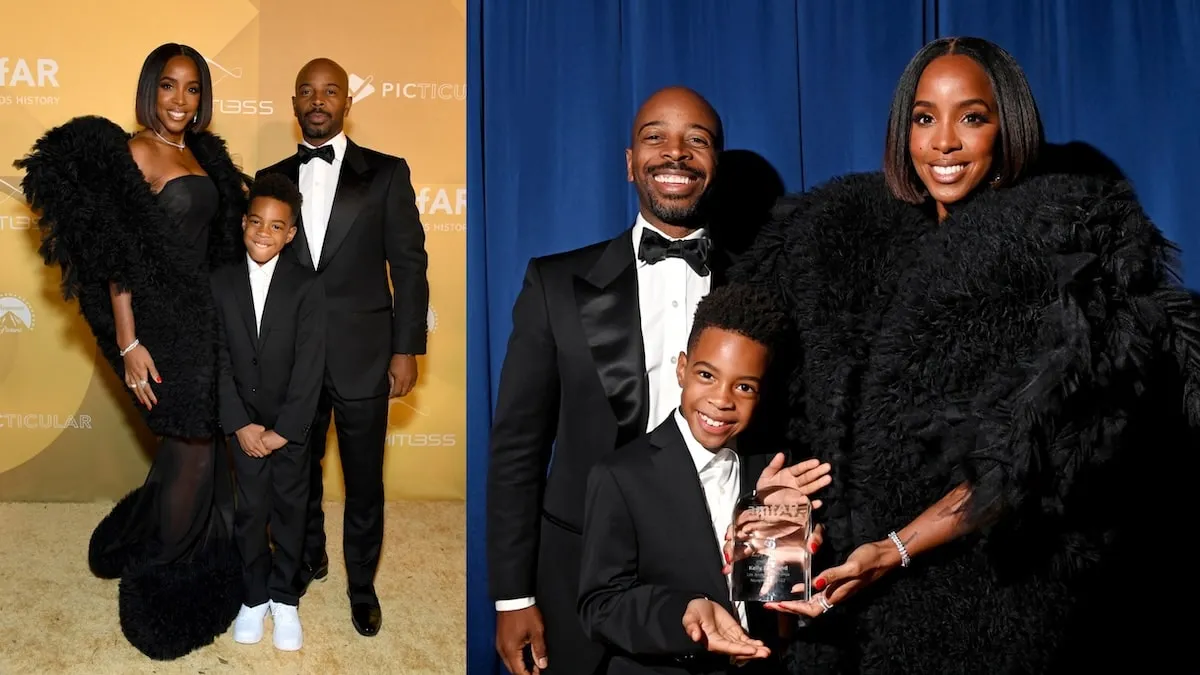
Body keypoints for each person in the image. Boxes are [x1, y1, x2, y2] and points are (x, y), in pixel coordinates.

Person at [730, 36, 1200, 673]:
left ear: (1008, 128)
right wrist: (767, 497)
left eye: (970, 117)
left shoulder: (1062, 254)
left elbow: (1035, 460)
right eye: (924, 118)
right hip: (839, 613)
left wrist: (893, 548)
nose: (943, 142)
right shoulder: (837, 241)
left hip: (987, 603)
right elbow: (763, 397)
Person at [487, 86, 738, 675]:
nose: (675, 153)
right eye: (655, 137)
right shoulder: (555, 285)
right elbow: (518, 450)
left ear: (715, 165)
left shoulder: (764, 284)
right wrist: (514, 596)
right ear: (629, 163)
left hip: (718, 578)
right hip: (580, 575)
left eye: (696, 141)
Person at [14, 43, 247, 659]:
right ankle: (163, 581)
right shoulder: (134, 152)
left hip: (208, 318)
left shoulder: (202, 153)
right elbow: (116, 254)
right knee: (194, 444)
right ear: (150, 90)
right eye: (168, 86)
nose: (179, 100)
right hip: (161, 325)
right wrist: (128, 340)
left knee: (201, 441)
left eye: (192, 88)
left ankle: (171, 544)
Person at [255, 57, 430, 637]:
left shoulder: (385, 173)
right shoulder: (271, 177)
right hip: (292, 357)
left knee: (363, 479)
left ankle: (361, 584)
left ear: (347, 102)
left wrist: (407, 349)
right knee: (295, 471)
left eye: (330, 91)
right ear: (294, 102)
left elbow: (408, 264)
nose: (318, 100)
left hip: (364, 354)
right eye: (306, 91)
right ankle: (309, 557)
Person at [577, 283, 831, 675]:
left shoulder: (772, 471)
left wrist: (786, 547)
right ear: (682, 369)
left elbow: (779, 613)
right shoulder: (620, 476)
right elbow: (600, 605)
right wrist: (685, 613)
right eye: (707, 375)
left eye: (743, 386)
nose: (722, 399)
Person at [211, 173, 326, 651]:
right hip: (245, 428)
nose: (264, 233)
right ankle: (254, 596)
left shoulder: (307, 286)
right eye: (256, 222)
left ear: (291, 234)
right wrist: (239, 423)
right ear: (243, 223)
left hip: (289, 430)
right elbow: (217, 358)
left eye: (277, 226)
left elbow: (311, 366)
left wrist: (284, 430)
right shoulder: (219, 281)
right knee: (250, 509)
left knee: (291, 510)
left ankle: (285, 598)